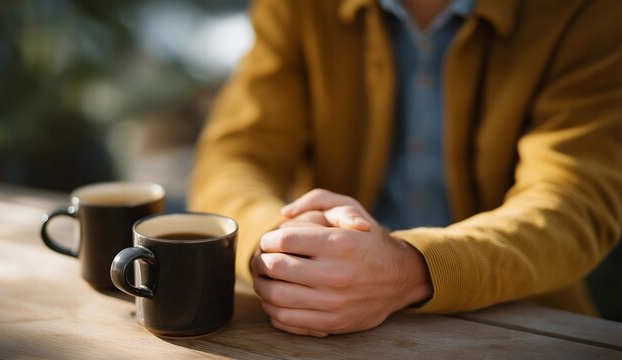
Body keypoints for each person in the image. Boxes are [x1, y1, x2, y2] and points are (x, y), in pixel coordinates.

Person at [190, 0, 622, 337]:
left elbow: (575, 200)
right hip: (315, 324)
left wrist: (412, 268)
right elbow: (233, 158)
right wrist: (282, 240)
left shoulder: (586, 12)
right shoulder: (298, 8)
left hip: (526, 326)